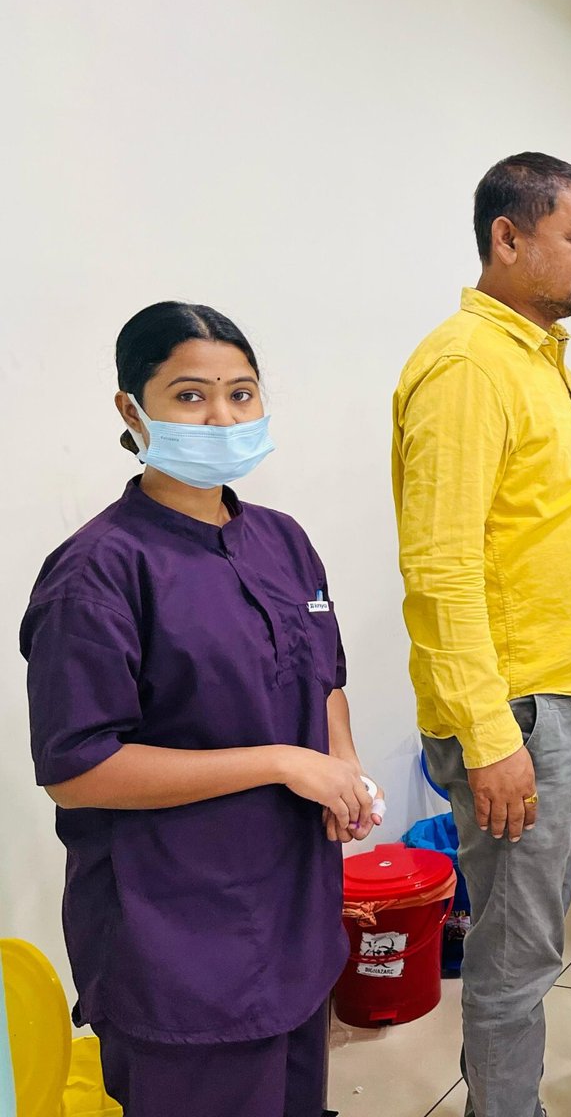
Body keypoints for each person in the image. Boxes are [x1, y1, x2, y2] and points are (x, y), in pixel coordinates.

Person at [21, 302, 379, 1117]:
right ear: (132, 410)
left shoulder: (283, 541)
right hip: (178, 940)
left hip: (294, 910)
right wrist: (283, 762)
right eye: (190, 396)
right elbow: (78, 769)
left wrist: (342, 760)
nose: (222, 416)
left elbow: (322, 675)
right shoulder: (98, 572)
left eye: (241, 393)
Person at [392, 152, 571, 1117]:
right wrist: (490, 735)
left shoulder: (539, 360)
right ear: (507, 238)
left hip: (567, 696)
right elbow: (441, 567)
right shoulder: (468, 366)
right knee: (516, 956)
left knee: (534, 939)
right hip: (520, 713)